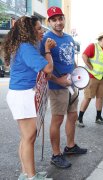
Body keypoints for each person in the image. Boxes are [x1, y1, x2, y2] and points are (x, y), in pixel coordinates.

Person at [4, 16, 54, 180]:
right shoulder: (26, 47)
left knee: (26, 137)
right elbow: (47, 68)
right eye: (39, 28)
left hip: (23, 93)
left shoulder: (26, 45)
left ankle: (26, 173)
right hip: (23, 94)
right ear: (29, 31)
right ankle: (31, 177)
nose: (42, 31)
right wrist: (47, 51)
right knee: (29, 137)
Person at [41, 6, 87, 169]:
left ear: (64, 19)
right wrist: (59, 81)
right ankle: (56, 154)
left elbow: (71, 61)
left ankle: (70, 146)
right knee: (57, 119)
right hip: (56, 86)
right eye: (54, 20)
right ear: (49, 22)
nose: (58, 22)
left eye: (60, 18)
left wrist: (77, 78)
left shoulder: (69, 38)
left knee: (73, 116)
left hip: (71, 84)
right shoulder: (46, 39)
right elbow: (44, 67)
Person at [77, 32, 103, 127]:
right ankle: (79, 119)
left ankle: (98, 117)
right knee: (88, 97)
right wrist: (89, 66)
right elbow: (84, 55)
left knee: (100, 97)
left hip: (102, 78)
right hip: (92, 77)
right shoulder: (93, 46)